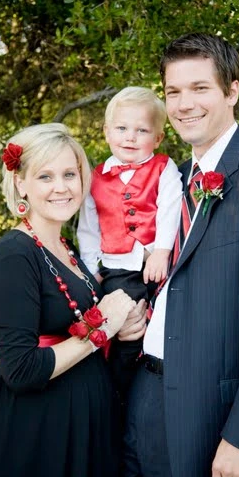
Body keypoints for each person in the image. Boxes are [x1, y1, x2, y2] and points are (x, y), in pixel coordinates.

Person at [0, 123, 140, 477]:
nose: (61, 187)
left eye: (70, 174)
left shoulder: (70, 253)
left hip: (79, 436)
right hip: (30, 439)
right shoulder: (12, 255)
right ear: (21, 184)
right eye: (45, 176)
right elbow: (20, 369)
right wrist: (102, 326)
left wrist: (123, 331)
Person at [123, 34, 239, 477]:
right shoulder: (172, 180)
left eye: (199, 89)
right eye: (173, 92)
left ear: (232, 91)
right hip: (141, 395)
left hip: (210, 421)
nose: (184, 104)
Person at [75, 86, 179, 400]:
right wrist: (92, 272)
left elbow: (171, 208)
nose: (130, 137)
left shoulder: (163, 168)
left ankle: (160, 383)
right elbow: (89, 231)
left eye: (141, 130)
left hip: (157, 265)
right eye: (121, 128)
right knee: (126, 324)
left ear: (158, 138)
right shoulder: (96, 179)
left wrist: (161, 250)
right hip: (118, 270)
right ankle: (119, 389)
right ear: (107, 132)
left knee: (164, 322)